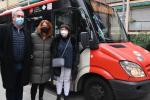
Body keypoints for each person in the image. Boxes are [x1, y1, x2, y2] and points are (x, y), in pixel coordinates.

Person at [0, 8, 32, 100]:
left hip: (22, 66)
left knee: (19, 89)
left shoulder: (26, 32)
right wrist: (2, 58)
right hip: (9, 66)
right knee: (10, 89)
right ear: (13, 17)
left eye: (22, 17)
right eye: (18, 16)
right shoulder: (3, 29)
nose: (20, 18)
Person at [51, 24, 79, 100]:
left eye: (65, 29)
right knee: (59, 80)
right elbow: (53, 51)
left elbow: (76, 52)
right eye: (62, 29)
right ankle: (58, 96)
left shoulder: (73, 40)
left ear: (68, 31)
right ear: (59, 31)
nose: (63, 31)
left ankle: (66, 96)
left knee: (67, 80)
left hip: (69, 63)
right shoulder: (56, 40)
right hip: (59, 63)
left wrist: (75, 62)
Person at [30, 20, 53, 100]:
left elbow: (52, 51)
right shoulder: (33, 36)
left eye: (46, 26)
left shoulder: (51, 38)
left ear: (49, 28)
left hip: (45, 66)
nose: (45, 27)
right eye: (43, 26)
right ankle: (32, 98)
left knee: (43, 85)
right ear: (40, 26)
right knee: (34, 86)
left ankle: (41, 98)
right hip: (35, 66)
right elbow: (29, 49)